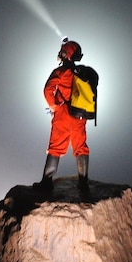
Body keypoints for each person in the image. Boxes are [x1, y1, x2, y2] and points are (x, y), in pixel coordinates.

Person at [36, 38, 90, 192]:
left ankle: (46, 184)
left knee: (55, 149)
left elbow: (47, 90)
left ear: (67, 55)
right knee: (81, 147)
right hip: (80, 115)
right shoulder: (82, 73)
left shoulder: (60, 71)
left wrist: (53, 106)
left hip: (63, 115)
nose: (60, 54)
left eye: (63, 51)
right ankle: (84, 184)